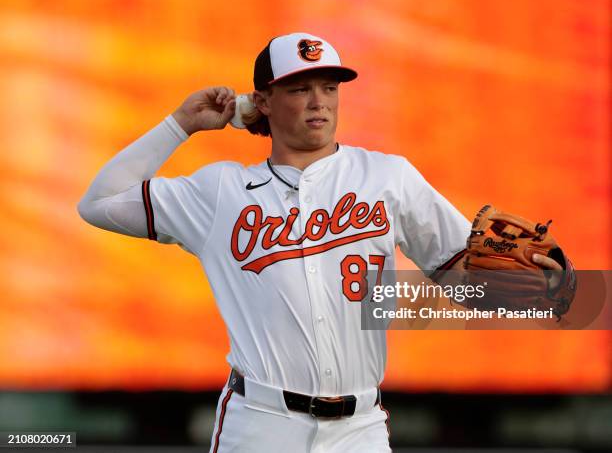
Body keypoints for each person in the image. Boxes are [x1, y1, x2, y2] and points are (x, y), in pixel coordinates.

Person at [77, 32, 564, 452]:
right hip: (261, 425)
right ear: (262, 102)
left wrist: (550, 294)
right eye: (300, 88)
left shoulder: (387, 176)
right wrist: (179, 124)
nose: (319, 101)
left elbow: (465, 279)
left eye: (329, 87)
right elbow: (99, 203)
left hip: (360, 430)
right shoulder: (219, 191)